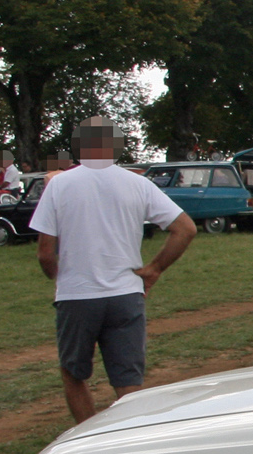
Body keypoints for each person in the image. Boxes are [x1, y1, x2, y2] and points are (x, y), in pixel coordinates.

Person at [32, 117, 198, 423]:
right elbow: (185, 229)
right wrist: (154, 268)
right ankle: (129, 441)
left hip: (77, 296)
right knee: (128, 383)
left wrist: (60, 278)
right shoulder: (137, 183)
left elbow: (45, 253)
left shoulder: (58, 185)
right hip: (126, 293)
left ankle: (88, 440)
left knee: (74, 374)